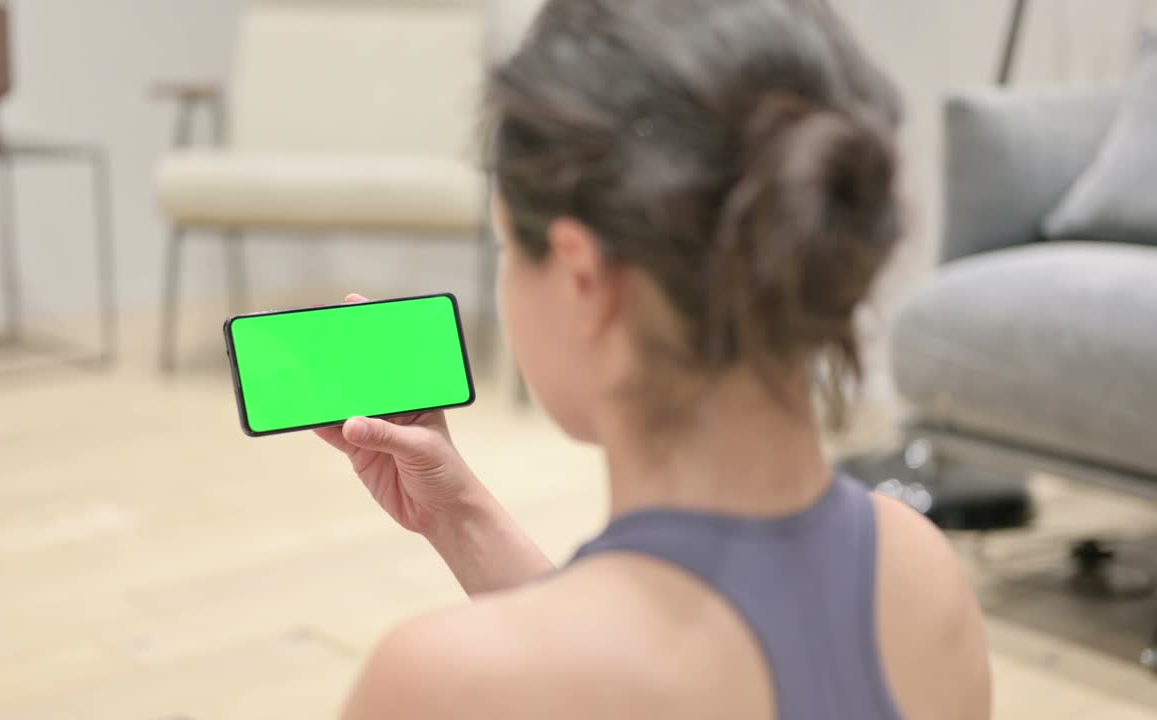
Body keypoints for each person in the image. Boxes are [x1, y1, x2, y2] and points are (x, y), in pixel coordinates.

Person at [317, 0, 991, 717]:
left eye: (509, 249)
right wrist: (460, 518)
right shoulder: (923, 577)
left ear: (582, 278)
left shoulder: (439, 683)